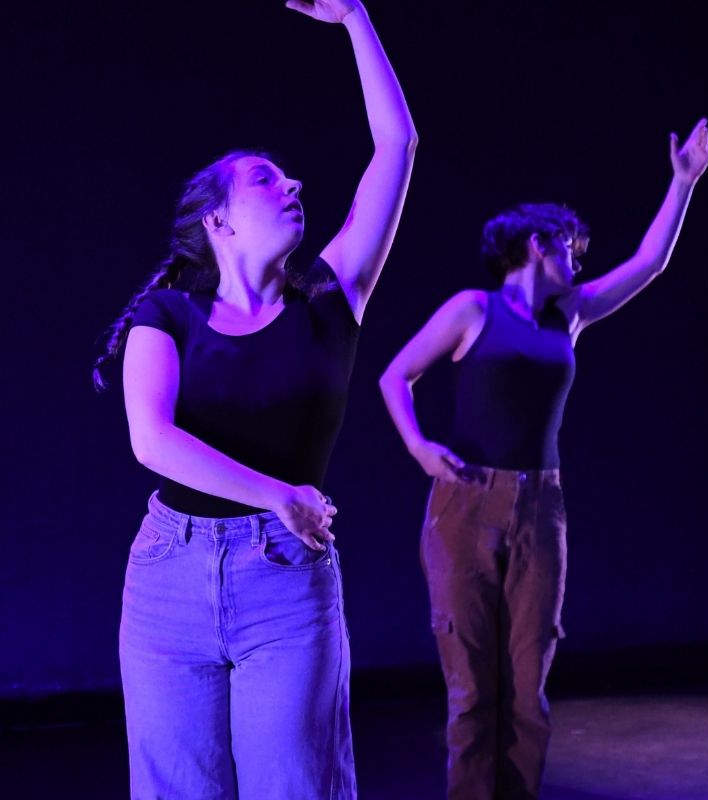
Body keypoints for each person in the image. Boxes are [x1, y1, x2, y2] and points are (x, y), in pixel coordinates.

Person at [92, 1, 416, 797]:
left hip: (286, 584)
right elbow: (152, 440)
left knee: (297, 786)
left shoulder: (331, 300)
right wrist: (278, 495)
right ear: (219, 222)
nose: (294, 181)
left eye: (289, 174)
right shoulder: (164, 315)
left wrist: (354, 18)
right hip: (169, 577)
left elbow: (397, 145)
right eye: (266, 178)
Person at [379, 119, 708, 799]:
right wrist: (418, 447)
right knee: (473, 690)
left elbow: (650, 263)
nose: (580, 261)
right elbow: (395, 377)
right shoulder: (471, 310)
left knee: (528, 690)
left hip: (540, 510)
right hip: (465, 506)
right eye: (571, 247)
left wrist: (681, 184)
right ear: (536, 245)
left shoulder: (572, 315)